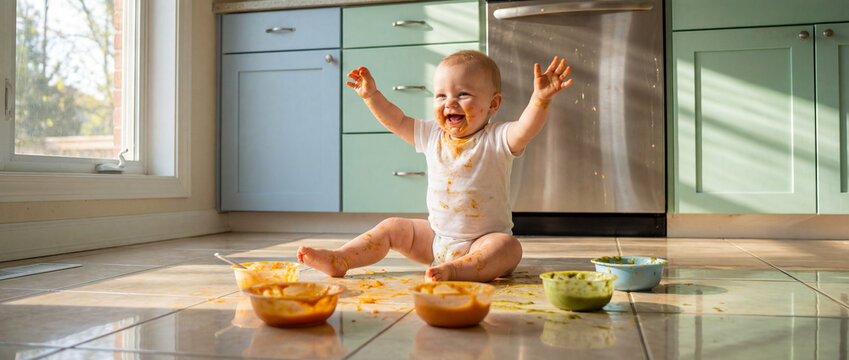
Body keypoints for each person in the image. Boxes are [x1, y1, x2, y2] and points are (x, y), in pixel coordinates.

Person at [297, 50, 573, 282]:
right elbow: (397, 120)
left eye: (463, 94)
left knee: (509, 248)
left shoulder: (498, 138)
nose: (449, 102)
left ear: (493, 104)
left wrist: (541, 99)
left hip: (483, 242)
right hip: (436, 239)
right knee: (393, 227)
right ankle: (341, 258)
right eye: (441, 96)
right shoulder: (432, 135)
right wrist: (372, 96)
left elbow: (526, 128)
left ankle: (456, 271)